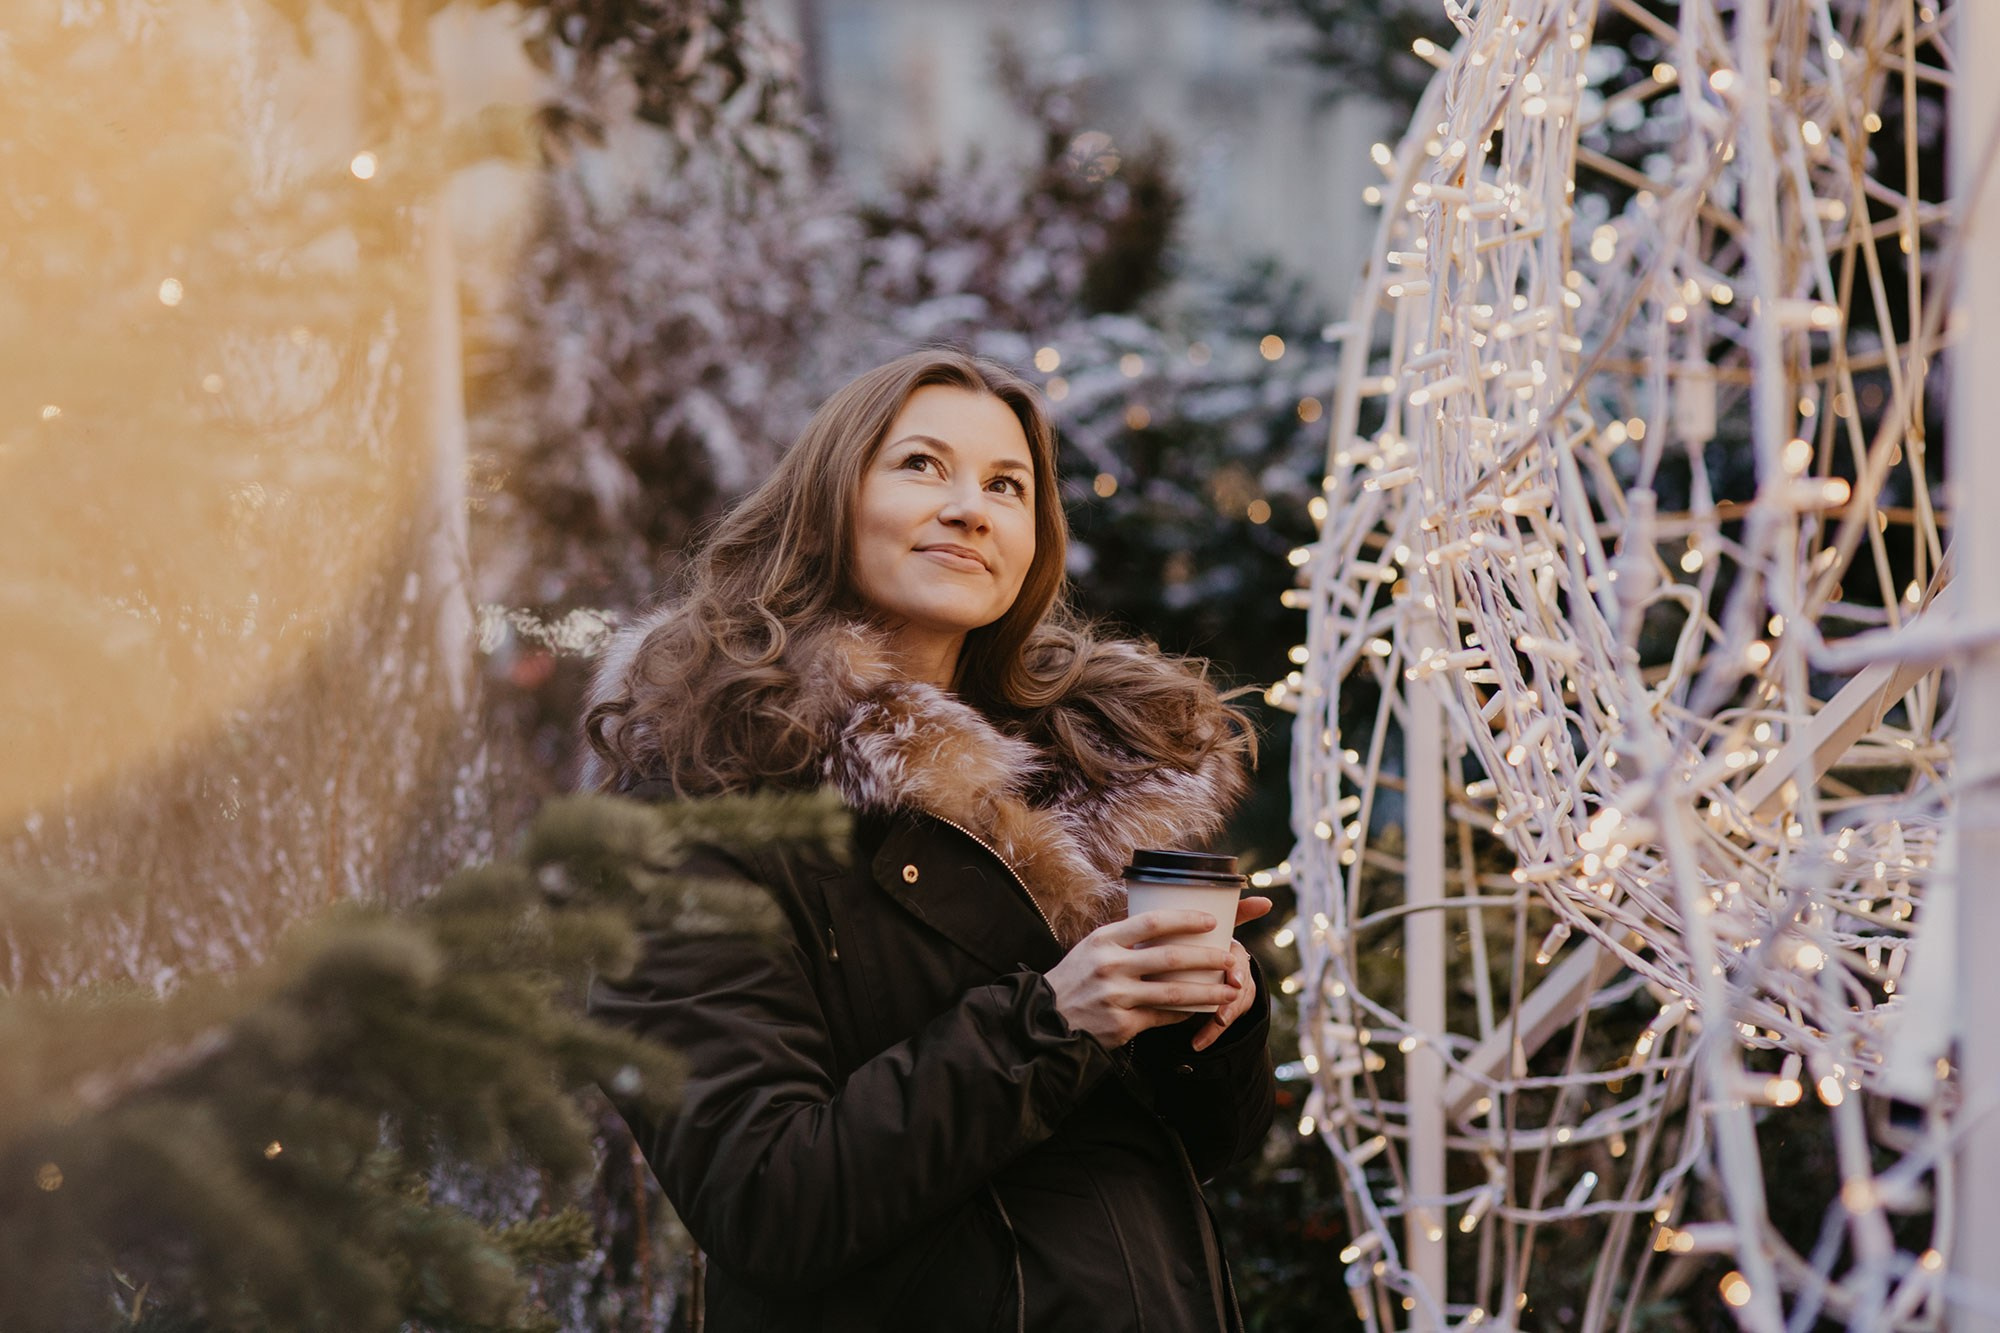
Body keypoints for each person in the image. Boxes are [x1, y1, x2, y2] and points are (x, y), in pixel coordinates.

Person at [583, 348, 1276, 1332]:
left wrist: (1213, 1021)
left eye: (1006, 485)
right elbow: (764, 1200)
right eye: (921, 465)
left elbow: (1194, 1148)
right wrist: (1053, 1019)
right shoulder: (706, 799)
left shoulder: (1084, 781)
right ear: (826, 501)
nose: (969, 507)